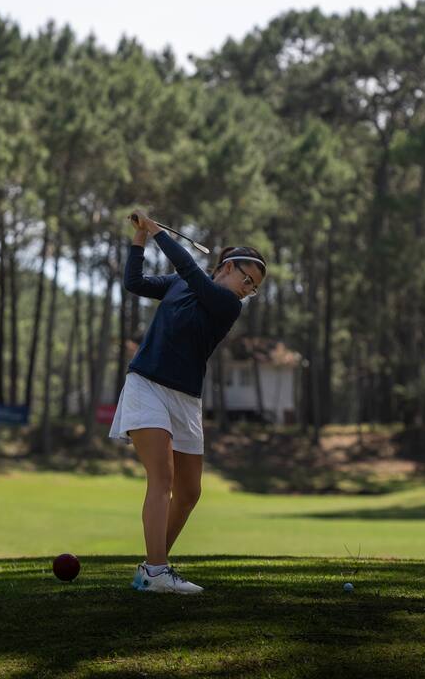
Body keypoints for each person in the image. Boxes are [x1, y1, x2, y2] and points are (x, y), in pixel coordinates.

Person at [110, 209, 266, 594]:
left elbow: (193, 274)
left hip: (186, 399)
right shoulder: (182, 284)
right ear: (228, 266)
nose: (247, 288)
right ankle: (158, 572)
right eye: (246, 278)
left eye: (254, 287)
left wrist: (159, 232)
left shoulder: (227, 304)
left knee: (190, 492)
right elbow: (134, 282)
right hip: (146, 384)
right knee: (161, 479)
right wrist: (141, 239)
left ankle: (151, 569)